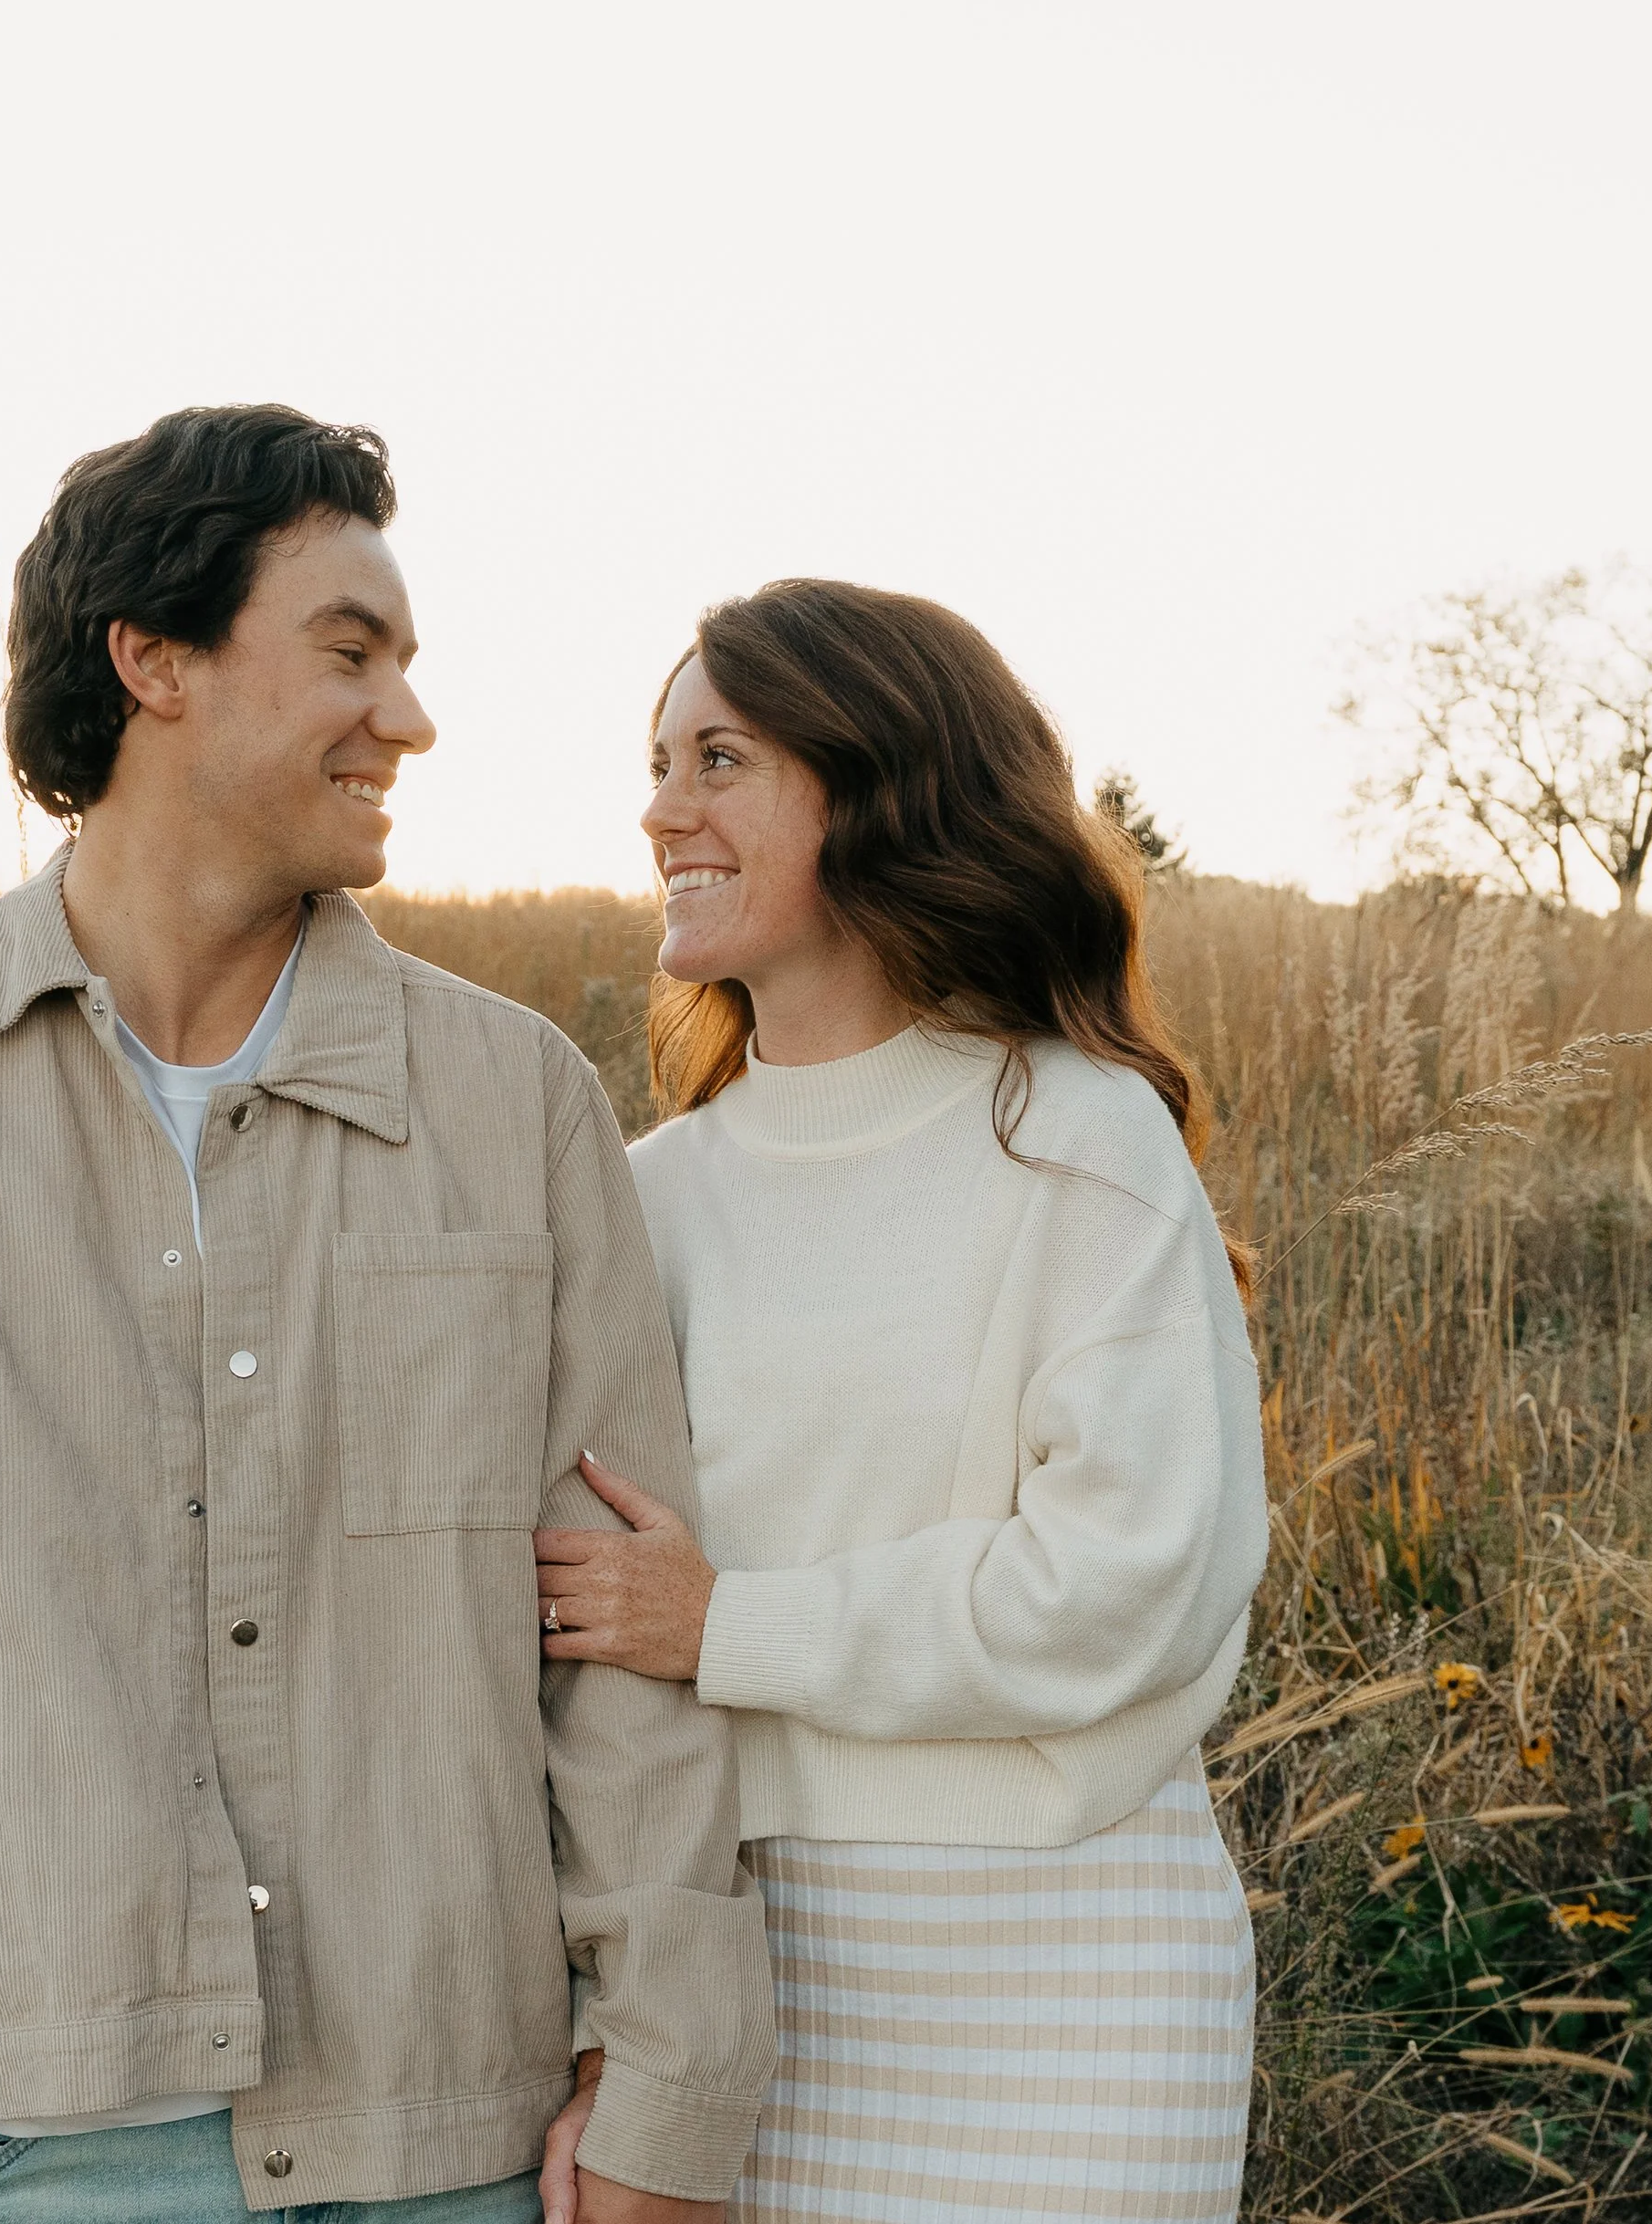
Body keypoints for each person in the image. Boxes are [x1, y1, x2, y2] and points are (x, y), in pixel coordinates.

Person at [0, 404, 774, 2224]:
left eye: (404, 663)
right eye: (350, 650)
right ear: (151, 658)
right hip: (35, 2151)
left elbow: (625, 1646)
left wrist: (663, 2085)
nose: (404, 716)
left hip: (463, 2151)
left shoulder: (516, 1104)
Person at [536, 580, 1269, 2223]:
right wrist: (609, 2027)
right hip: (734, 1979)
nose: (662, 811)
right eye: (658, 762)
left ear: (880, 784)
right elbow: (573, 1654)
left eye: (718, 758)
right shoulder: (638, 1197)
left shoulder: (1077, 1140)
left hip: (1069, 1960)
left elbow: (1126, 1581)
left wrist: (734, 1626)